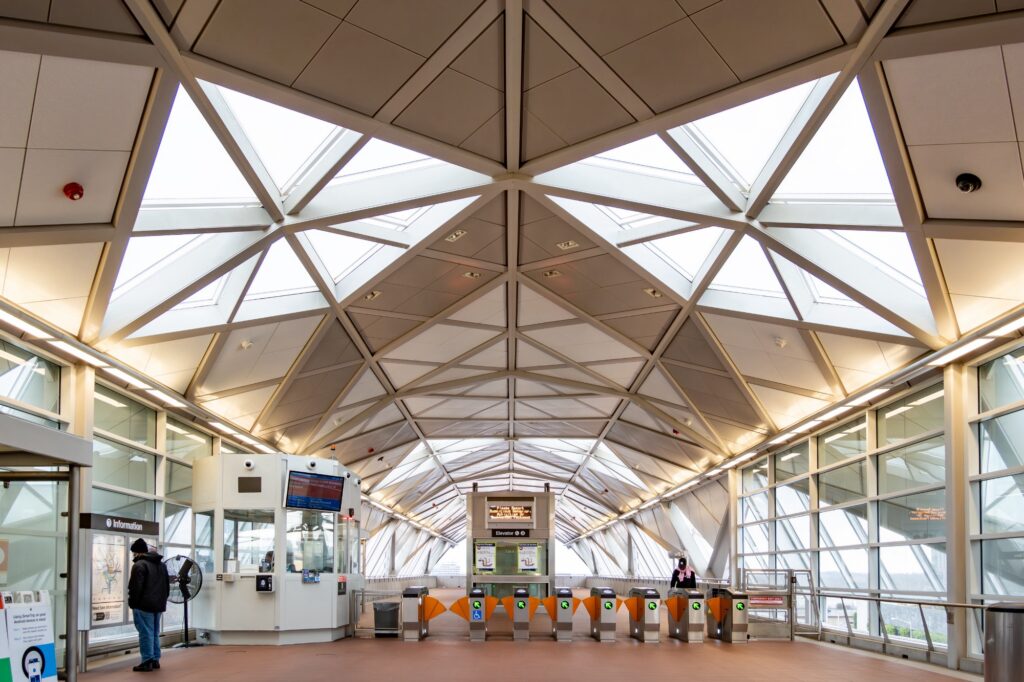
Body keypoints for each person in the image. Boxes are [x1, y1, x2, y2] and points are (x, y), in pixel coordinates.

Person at [127, 538, 170, 673]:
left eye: (134, 553)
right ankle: (155, 659)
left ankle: (146, 661)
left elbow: (135, 588)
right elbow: (167, 587)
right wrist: (162, 600)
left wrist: (133, 604)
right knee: (154, 633)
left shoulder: (139, 565)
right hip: (158, 605)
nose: (133, 556)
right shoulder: (161, 565)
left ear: (138, 553)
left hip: (143, 605)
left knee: (145, 633)